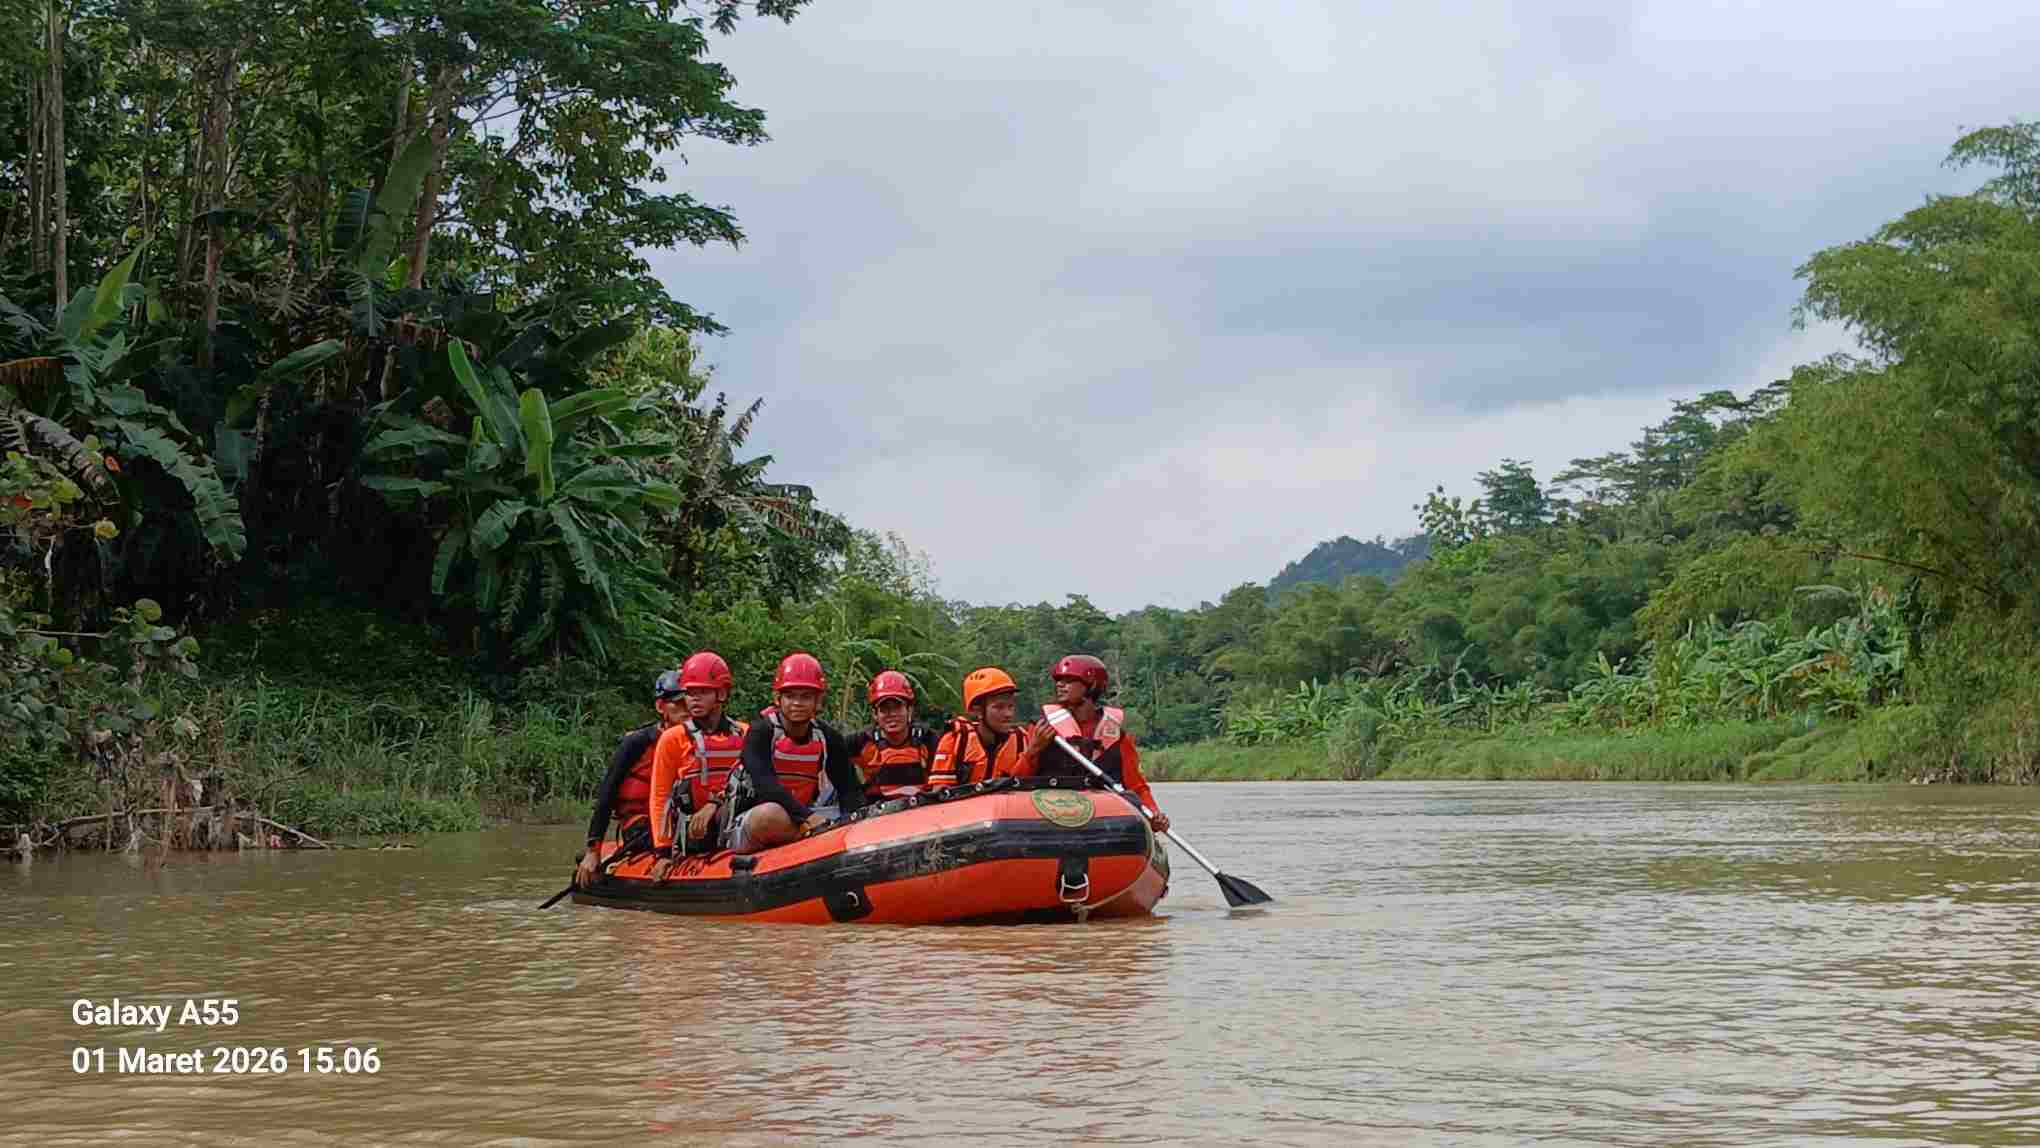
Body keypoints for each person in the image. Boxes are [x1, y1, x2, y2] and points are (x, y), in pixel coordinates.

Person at [722, 652, 864, 854]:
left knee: (855, 814)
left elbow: (849, 788)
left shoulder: (828, 737)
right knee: (770, 815)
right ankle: (815, 841)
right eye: (790, 696)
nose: (797, 703)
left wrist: (853, 821)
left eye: (806, 697)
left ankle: (817, 841)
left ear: (818, 701)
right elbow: (765, 785)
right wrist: (808, 817)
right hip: (755, 819)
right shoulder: (761, 732)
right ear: (778, 699)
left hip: (803, 816)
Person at [1020, 654, 1169, 832]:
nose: (1060, 685)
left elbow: (1136, 786)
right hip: (1053, 817)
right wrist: (1033, 749)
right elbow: (1016, 781)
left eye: (1069, 680)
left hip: (1102, 822)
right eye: (1059, 680)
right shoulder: (1042, 729)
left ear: (1091, 686)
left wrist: (1153, 812)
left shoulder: (1117, 736)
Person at [575, 669, 688, 888]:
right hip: (641, 824)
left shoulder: (701, 740)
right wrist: (593, 851)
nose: (686, 709)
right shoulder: (637, 742)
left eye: (689, 702)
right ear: (661, 707)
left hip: (682, 820)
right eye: (678, 703)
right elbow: (607, 793)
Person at [646, 651, 750, 880]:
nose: (694, 698)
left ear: (721, 693)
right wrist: (662, 851)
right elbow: (660, 797)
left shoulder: (745, 733)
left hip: (738, 822)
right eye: (690, 692)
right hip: (695, 833)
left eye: (702, 692)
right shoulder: (673, 738)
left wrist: (714, 803)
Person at [845, 670, 940, 802]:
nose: (892, 714)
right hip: (878, 810)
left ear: (909, 710)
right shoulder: (860, 741)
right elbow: (831, 755)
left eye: (897, 707)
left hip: (923, 807)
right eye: (885, 709)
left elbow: (943, 782)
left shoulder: (929, 739)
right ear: (875, 714)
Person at [930, 667, 1033, 787]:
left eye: (1011, 706)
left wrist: (1031, 752)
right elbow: (939, 790)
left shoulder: (1023, 740)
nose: (1008, 714)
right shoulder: (955, 741)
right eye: (999, 707)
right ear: (977, 710)